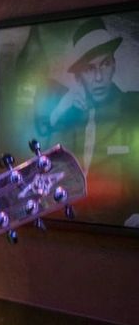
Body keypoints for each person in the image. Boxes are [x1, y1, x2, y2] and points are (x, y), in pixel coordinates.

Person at [48, 18, 139, 227]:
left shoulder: (133, 106)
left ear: (114, 65)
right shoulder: (68, 115)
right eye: (89, 69)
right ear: (79, 75)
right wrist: (59, 114)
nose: (99, 77)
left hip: (119, 231)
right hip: (69, 229)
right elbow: (47, 178)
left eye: (105, 64)